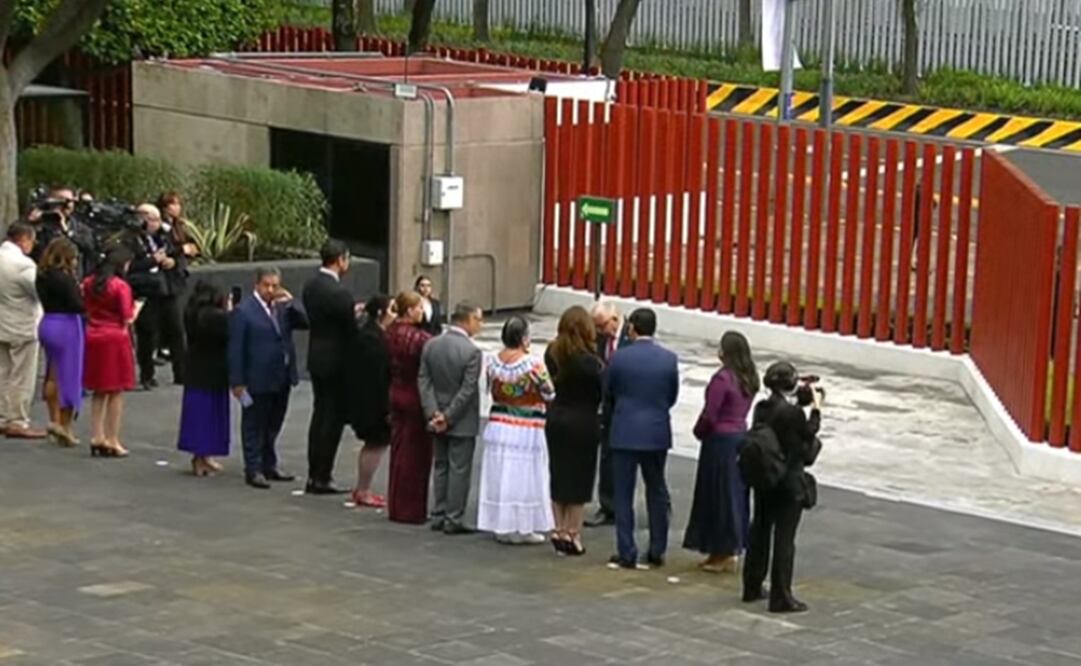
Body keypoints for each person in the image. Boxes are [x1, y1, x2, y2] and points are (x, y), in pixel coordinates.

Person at [743, 362, 822, 614]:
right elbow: (805, 444)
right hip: (788, 482)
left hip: (766, 478)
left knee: (760, 530)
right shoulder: (793, 415)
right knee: (785, 540)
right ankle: (781, 595)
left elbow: (782, 427)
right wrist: (816, 410)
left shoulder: (762, 408)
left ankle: (752, 585)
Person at [606, 308, 680, 570]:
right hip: (656, 430)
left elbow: (610, 391)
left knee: (624, 494)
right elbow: (672, 396)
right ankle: (657, 548)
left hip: (625, 430)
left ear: (632, 328)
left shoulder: (619, 358)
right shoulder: (668, 359)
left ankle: (626, 550)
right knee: (657, 489)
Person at [683, 331, 759, 573]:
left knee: (717, 495)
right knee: (734, 494)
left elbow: (710, 413)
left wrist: (699, 431)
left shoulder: (722, 379)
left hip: (720, 441)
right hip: (740, 435)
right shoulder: (749, 378)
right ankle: (731, 547)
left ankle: (720, 550)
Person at [477, 316, 556, 545]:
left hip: (499, 422)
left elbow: (489, 390)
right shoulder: (533, 364)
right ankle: (522, 526)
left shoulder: (492, 361)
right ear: (523, 338)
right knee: (524, 476)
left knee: (502, 473)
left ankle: (501, 524)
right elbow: (549, 392)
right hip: (527, 427)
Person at [229, 267, 307, 489]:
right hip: (256, 377)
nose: (271, 290)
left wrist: (292, 302)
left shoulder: (282, 308)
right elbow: (236, 349)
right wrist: (237, 381)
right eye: (267, 285)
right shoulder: (244, 312)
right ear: (257, 285)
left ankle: (269, 463)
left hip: (281, 375)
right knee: (254, 424)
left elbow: (305, 321)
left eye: (275, 285)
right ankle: (253, 468)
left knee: (274, 422)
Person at [419, 302, 485, 535]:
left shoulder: (431, 344)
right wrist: (449, 416)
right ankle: (454, 517)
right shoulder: (472, 352)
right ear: (466, 320)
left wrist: (433, 412)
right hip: (461, 419)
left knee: (441, 465)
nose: (480, 325)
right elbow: (467, 390)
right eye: (478, 320)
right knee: (459, 468)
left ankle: (438, 512)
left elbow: (424, 380)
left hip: (436, 414)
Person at [544, 306, 604, 556]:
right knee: (580, 478)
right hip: (584, 420)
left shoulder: (553, 353)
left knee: (558, 474)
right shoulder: (592, 362)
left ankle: (558, 529)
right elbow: (600, 393)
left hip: (557, 416)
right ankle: (573, 533)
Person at [302, 239, 358, 494]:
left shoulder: (311, 285)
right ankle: (323, 475)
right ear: (340, 259)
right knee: (332, 419)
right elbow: (350, 331)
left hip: (317, 355)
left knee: (319, 414)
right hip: (336, 360)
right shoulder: (340, 293)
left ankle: (314, 472)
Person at [82, 246, 141, 457]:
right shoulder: (120, 286)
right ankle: (112, 438)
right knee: (116, 390)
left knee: (99, 389)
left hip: (93, 335)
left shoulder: (89, 283)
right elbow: (127, 315)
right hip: (115, 337)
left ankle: (96, 435)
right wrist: (136, 309)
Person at [385, 291, 433, 523]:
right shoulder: (420, 339)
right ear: (409, 310)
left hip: (396, 390)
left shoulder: (390, 332)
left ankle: (395, 504)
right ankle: (410, 509)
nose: (422, 312)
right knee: (416, 454)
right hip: (414, 394)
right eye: (419, 308)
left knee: (398, 449)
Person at [127, 203, 187, 389]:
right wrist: (153, 260)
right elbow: (129, 268)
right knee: (147, 334)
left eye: (158, 219)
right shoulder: (132, 239)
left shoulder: (165, 236)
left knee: (177, 331)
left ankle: (182, 373)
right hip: (147, 292)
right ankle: (147, 375)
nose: (157, 223)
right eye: (153, 219)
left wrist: (172, 262)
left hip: (168, 289)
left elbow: (179, 255)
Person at [176, 282, 232, 476]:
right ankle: (201, 459)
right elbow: (228, 329)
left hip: (195, 369)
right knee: (207, 416)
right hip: (211, 370)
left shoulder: (191, 312)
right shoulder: (213, 316)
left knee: (199, 416)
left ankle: (203, 457)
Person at [586, 301, 633, 528]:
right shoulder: (599, 338)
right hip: (606, 406)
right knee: (607, 456)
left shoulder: (631, 335)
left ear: (615, 320)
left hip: (627, 404)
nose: (600, 331)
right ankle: (608, 505)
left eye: (602, 326)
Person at [35, 238, 85, 447]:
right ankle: (65, 425)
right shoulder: (65, 279)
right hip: (66, 325)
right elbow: (77, 304)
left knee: (53, 373)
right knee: (70, 375)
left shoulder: (42, 276)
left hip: (47, 322)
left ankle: (53, 419)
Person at [0, 222, 46, 440]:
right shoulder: (23, 265)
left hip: (2, 322)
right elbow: (38, 293)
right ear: (24, 239)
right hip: (23, 324)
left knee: (3, 371)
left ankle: (2, 415)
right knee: (21, 375)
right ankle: (17, 419)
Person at [349, 295, 395, 508]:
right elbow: (377, 375)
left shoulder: (372, 334)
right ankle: (363, 489)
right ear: (380, 313)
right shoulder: (371, 339)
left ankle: (363, 488)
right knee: (375, 444)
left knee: (375, 444)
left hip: (368, 398)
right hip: (372, 401)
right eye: (391, 310)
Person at [157, 191, 200, 260]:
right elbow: (166, 248)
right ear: (164, 207)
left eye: (179, 204)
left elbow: (192, 242)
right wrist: (182, 249)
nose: (177, 207)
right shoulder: (160, 226)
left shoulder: (180, 225)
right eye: (173, 204)